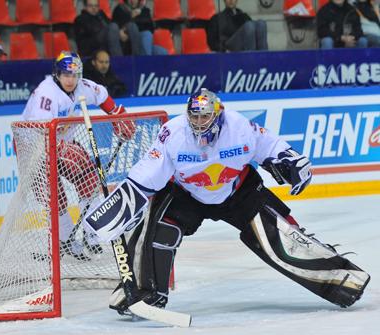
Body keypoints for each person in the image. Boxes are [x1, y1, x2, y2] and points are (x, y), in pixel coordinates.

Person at [84, 88, 370, 315]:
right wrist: (114, 212)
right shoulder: (173, 134)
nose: (198, 123)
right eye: (194, 117)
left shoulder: (239, 127)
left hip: (237, 191)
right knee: (157, 231)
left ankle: (340, 278)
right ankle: (144, 292)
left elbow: (268, 145)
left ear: (217, 114)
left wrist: (290, 161)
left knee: (279, 239)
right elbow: (146, 175)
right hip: (187, 194)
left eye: (204, 117)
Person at [21, 51, 135, 260]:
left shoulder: (82, 85)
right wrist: (65, 147)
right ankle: (66, 241)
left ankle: (91, 235)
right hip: (33, 148)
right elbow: (42, 131)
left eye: (74, 75)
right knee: (54, 198)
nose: (71, 80)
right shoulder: (46, 94)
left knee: (91, 180)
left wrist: (119, 117)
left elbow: (103, 96)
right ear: (57, 74)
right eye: (66, 75)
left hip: (61, 142)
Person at [74, 0, 143, 57]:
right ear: (85, 7)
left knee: (131, 26)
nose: (94, 8)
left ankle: (137, 59)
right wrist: (117, 33)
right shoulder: (80, 19)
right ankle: (118, 60)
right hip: (92, 44)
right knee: (113, 27)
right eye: (90, 6)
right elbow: (92, 32)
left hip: (107, 39)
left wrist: (120, 32)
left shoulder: (101, 14)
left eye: (96, 6)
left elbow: (110, 25)